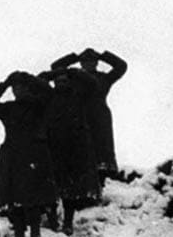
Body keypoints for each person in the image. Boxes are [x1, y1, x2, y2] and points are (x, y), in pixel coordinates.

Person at [0, 70, 56, 237]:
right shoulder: (8, 108)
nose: (17, 91)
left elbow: (49, 92)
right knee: (13, 197)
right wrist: (5, 83)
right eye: (15, 87)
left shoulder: (39, 105)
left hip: (33, 154)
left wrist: (29, 78)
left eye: (21, 87)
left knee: (33, 197)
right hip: (13, 155)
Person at [52, 47, 128, 182]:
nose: (88, 64)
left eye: (92, 61)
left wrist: (103, 55)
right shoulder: (74, 78)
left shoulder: (104, 78)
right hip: (80, 116)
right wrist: (74, 56)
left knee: (103, 148)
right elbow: (56, 67)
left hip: (100, 117)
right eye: (85, 61)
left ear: (96, 63)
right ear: (81, 63)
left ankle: (107, 174)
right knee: (82, 149)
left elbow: (121, 66)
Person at [42, 64, 102, 234]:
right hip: (53, 147)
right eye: (57, 81)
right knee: (52, 187)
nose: (60, 83)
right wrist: (54, 72)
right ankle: (53, 220)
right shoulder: (48, 97)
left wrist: (74, 72)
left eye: (64, 81)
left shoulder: (79, 96)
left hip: (75, 149)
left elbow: (93, 84)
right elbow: (38, 80)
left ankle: (68, 222)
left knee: (71, 190)